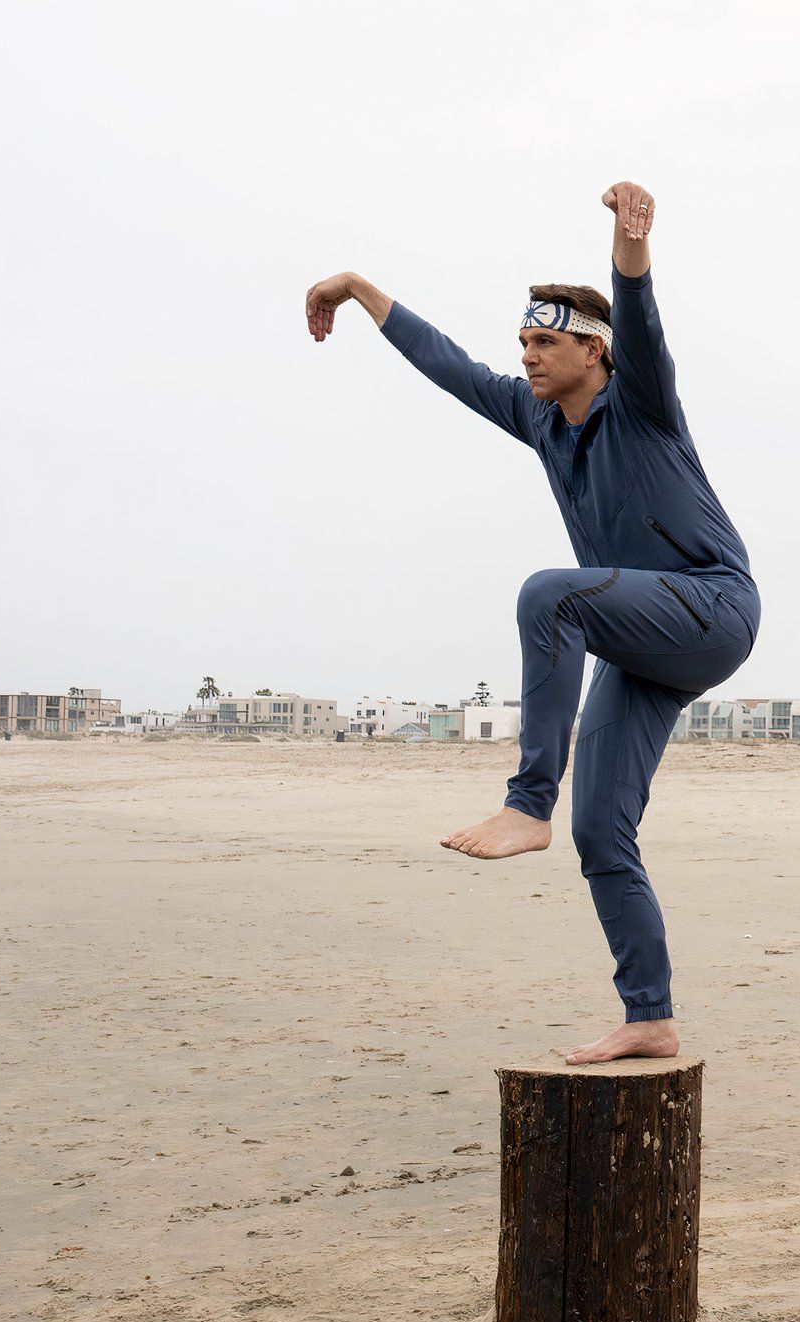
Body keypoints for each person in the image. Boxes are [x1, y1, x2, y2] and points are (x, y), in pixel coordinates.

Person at [303, 181, 758, 1063]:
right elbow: (448, 365)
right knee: (604, 832)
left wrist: (632, 245)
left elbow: (641, 314)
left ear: (594, 350)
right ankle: (650, 1015)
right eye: (523, 343)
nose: (527, 358)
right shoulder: (539, 419)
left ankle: (526, 803)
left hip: (712, 606)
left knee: (550, 592)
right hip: (645, 639)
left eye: (545, 342)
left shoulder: (643, 403)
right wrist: (361, 290)